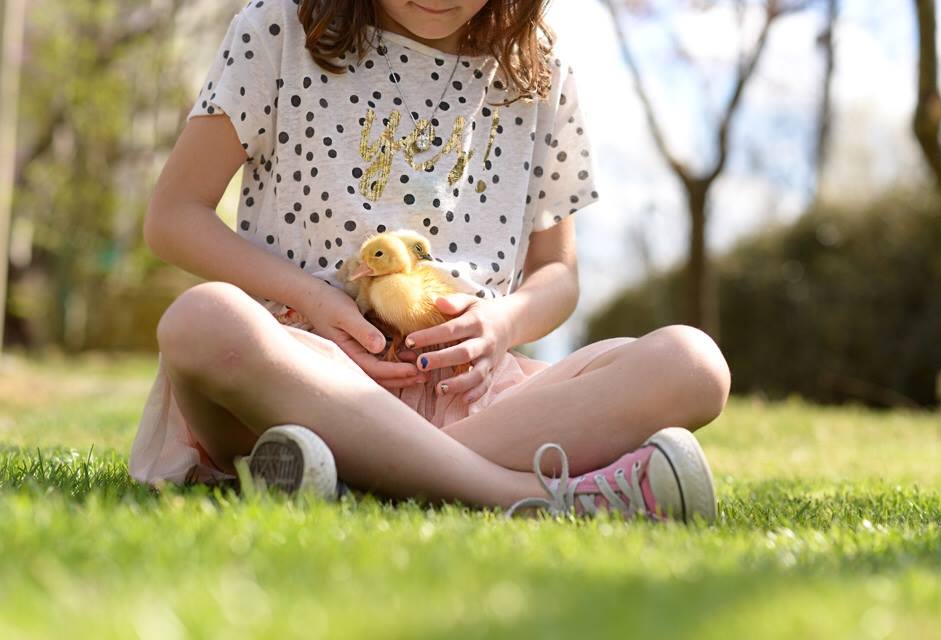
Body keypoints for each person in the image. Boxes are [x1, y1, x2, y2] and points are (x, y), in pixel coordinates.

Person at [130, 0, 731, 521]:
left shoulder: (539, 71)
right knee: (200, 322)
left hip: (471, 396)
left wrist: (503, 324)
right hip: (295, 383)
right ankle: (534, 496)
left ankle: (352, 479)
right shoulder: (279, 27)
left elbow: (558, 275)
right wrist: (314, 298)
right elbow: (174, 217)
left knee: (694, 364)